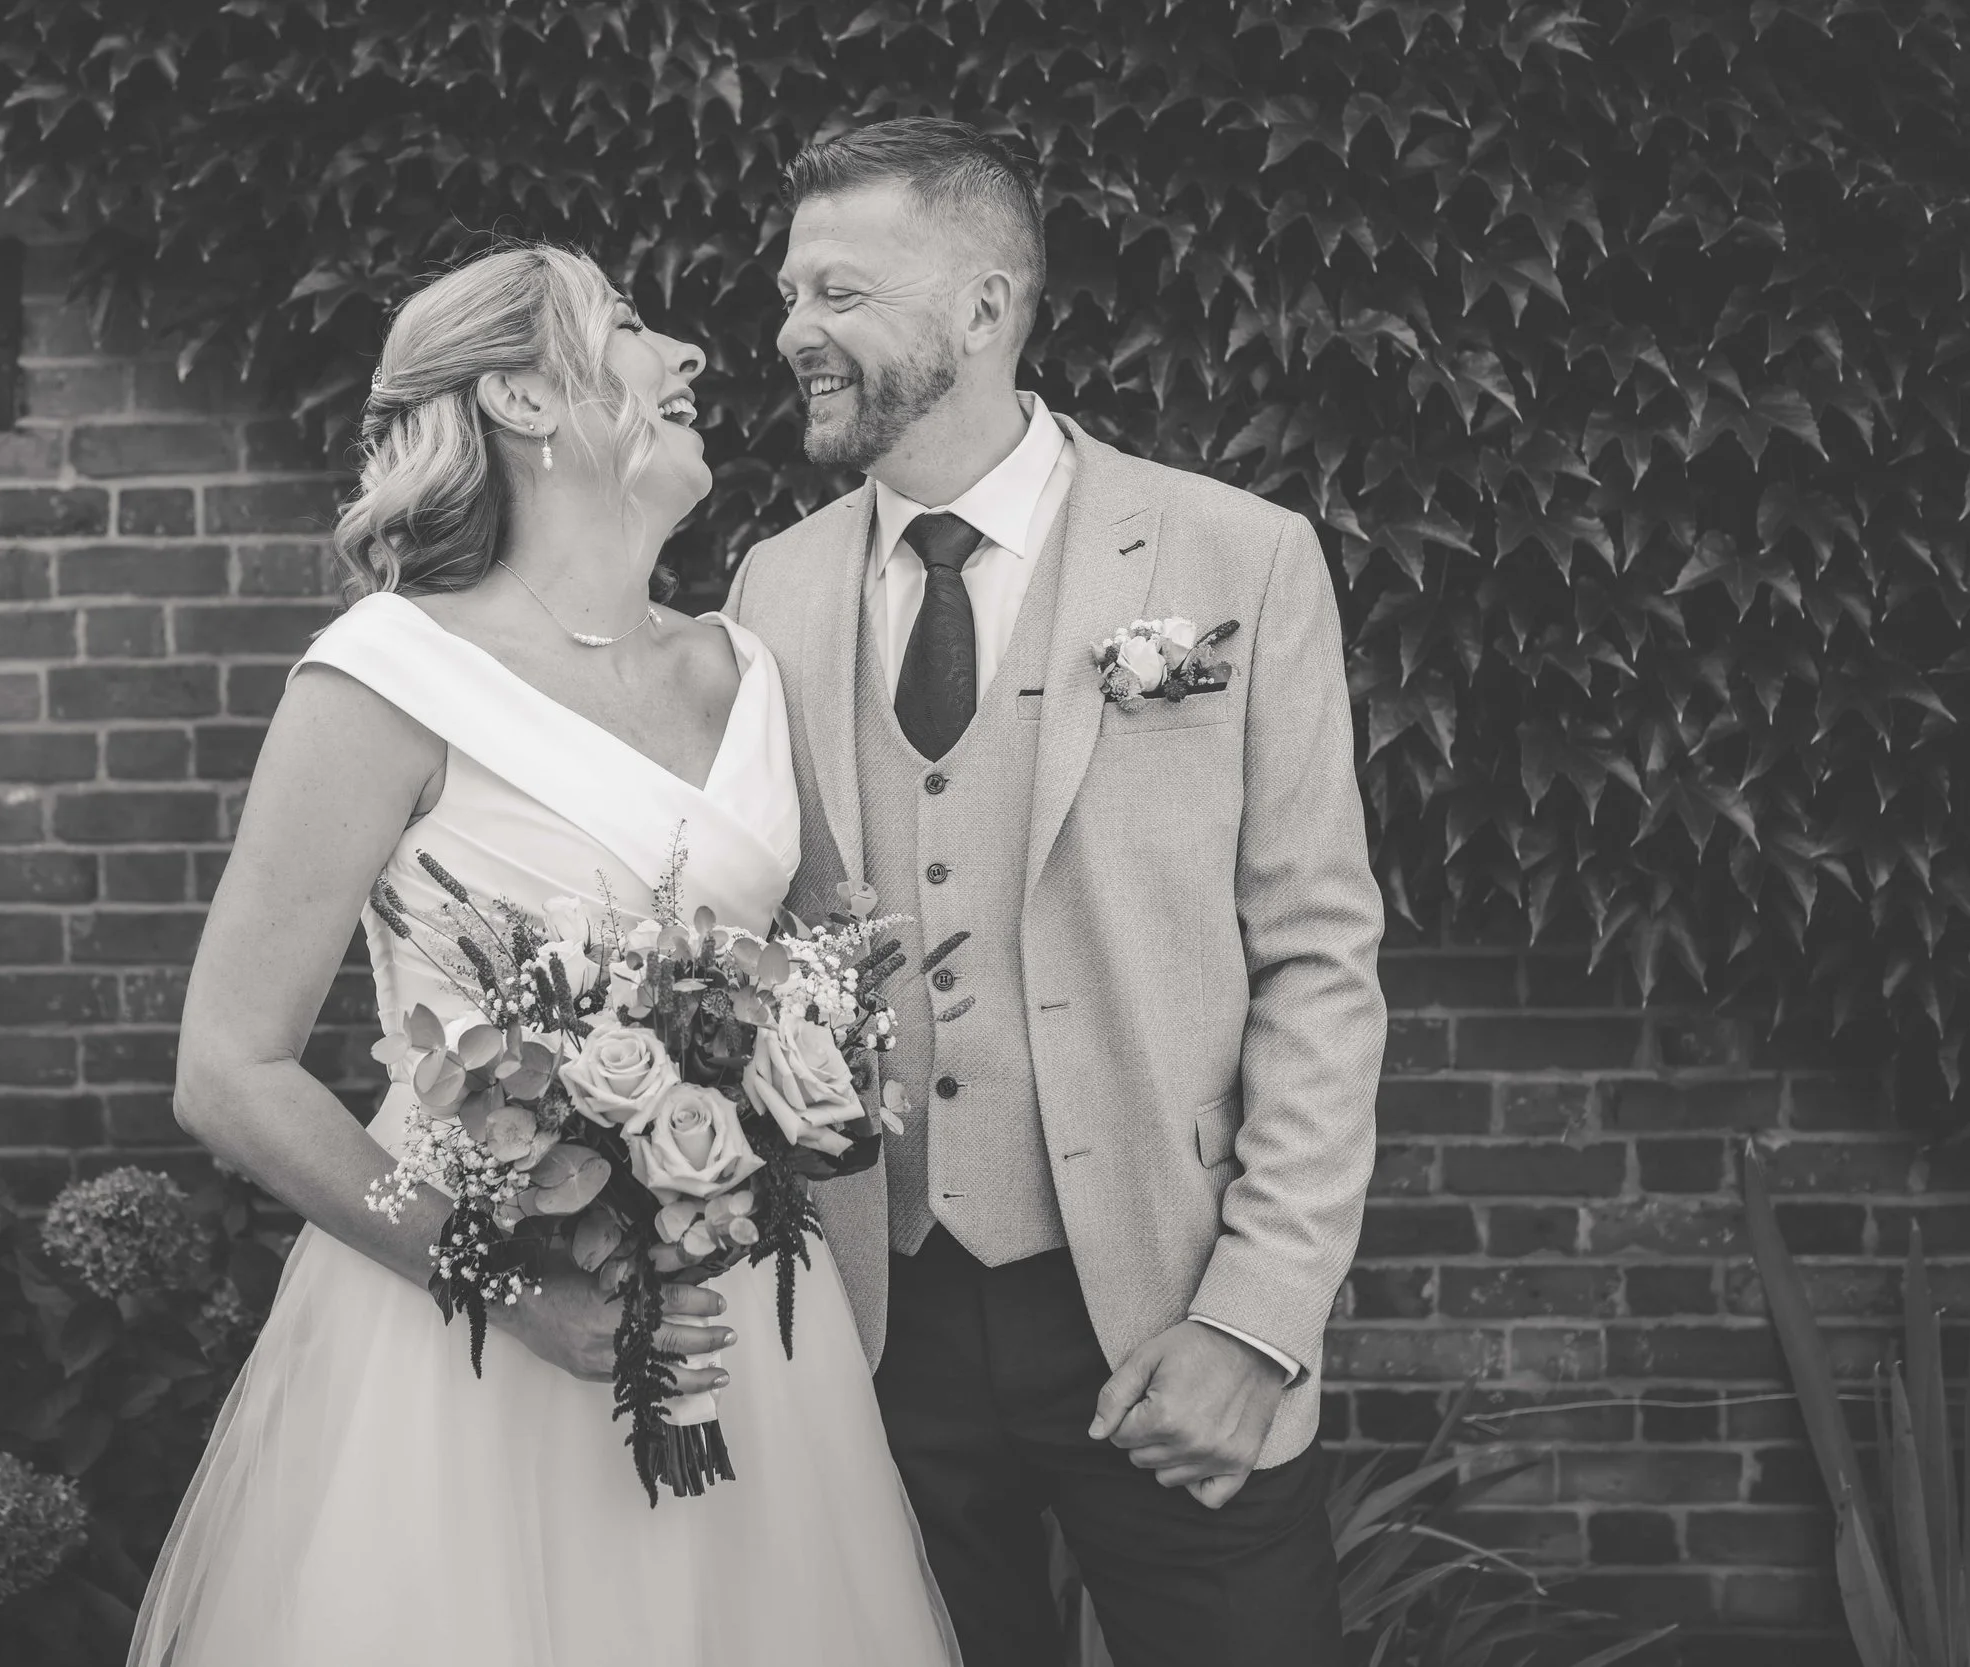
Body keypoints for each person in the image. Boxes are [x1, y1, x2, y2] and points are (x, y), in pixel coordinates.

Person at [129, 245, 959, 1667]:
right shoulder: (384, 676)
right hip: (476, 1339)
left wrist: (823, 1077)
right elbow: (228, 1069)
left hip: (744, 1327)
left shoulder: (740, 672)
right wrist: (521, 1299)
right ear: (520, 394)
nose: (694, 355)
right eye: (633, 328)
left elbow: (843, 971)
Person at [724, 118, 1387, 1667]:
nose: (791, 331)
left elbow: (1319, 963)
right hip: (868, 1328)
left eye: (839, 290)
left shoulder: (1240, 556)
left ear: (984, 304)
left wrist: (1255, 1318)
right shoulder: (772, 586)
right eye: (788, 292)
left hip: (1165, 1302)